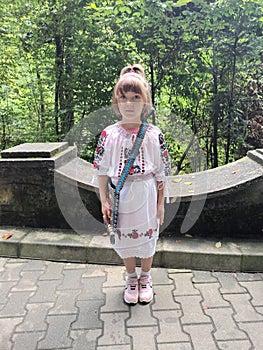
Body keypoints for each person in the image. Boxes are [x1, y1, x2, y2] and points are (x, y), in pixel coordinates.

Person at [93, 64, 170, 304]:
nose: (129, 103)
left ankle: (145, 277)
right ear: (116, 102)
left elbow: (161, 172)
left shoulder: (154, 135)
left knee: (147, 238)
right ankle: (130, 277)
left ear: (145, 101)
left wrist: (160, 204)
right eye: (123, 97)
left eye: (135, 97)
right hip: (121, 195)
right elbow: (102, 171)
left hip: (146, 193)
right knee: (124, 238)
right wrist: (104, 199)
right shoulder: (108, 135)